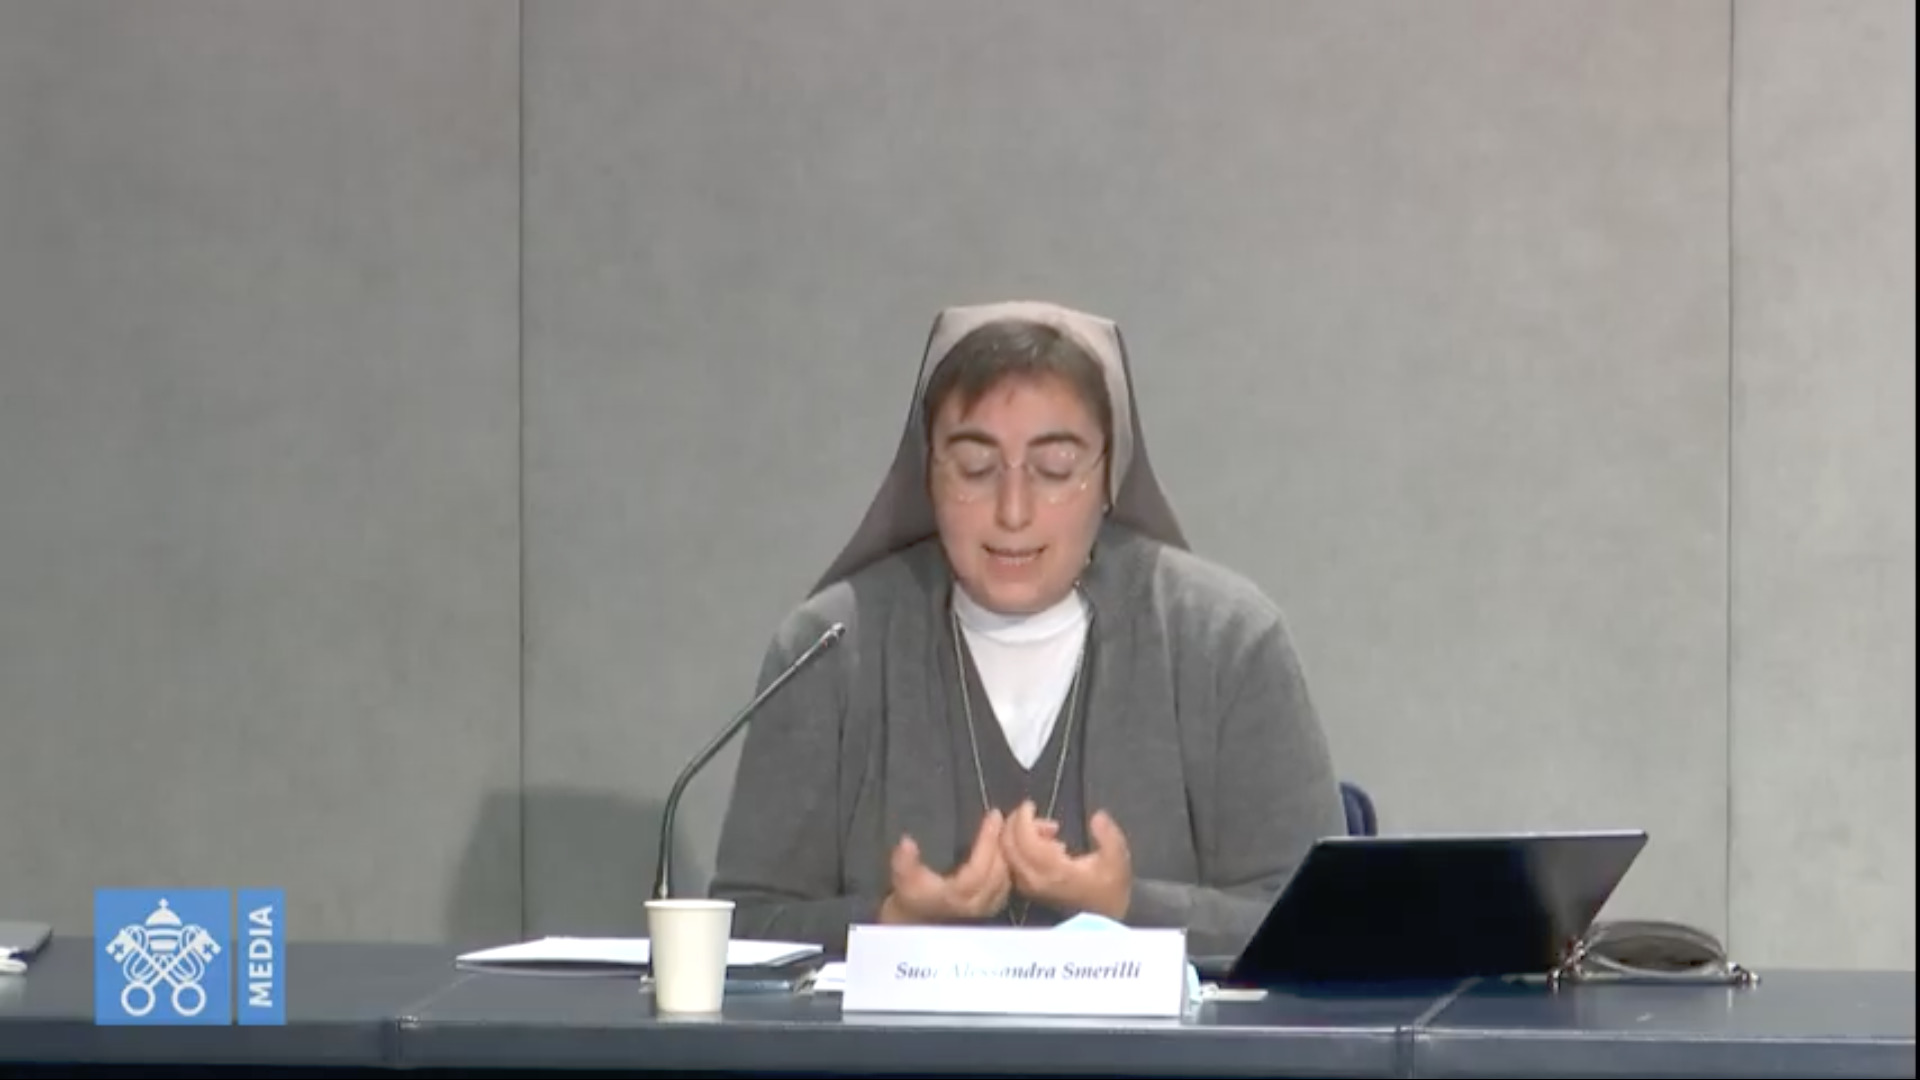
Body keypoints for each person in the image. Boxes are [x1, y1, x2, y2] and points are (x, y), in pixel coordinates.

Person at [707, 300, 1346, 958]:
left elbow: (1329, 924)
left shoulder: (1225, 642)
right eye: (975, 468)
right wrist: (890, 922)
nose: (1013, 511)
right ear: (927, 472)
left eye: (1056, 469)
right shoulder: (829, 650)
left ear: (1110, 475)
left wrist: (1130, 909)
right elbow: (740, 929)